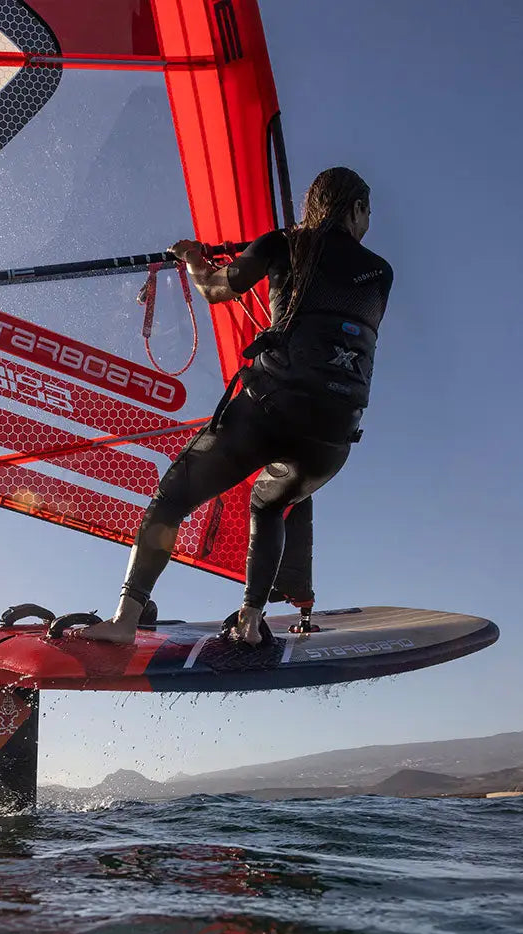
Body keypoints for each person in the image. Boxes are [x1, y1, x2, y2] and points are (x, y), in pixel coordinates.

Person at [78, 166, 393, 645]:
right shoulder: (382, 272)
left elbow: (214, 289)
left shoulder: (284, 244)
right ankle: (249, 619)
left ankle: (125, 618)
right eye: (367, 210)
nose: (369, 221)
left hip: (269, 411)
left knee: (172, 499)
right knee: (269, 506)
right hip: (331, 439)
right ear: (353, 209)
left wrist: (192, 259)